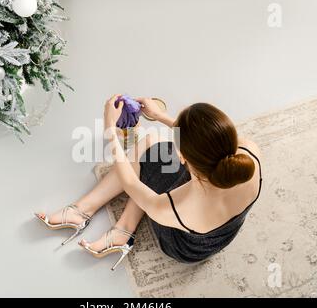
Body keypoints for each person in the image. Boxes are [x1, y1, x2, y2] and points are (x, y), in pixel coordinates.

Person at [35, 95, 263, 270]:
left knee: (147, 152)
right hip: (221, 232)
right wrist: (161, 116)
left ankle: (99, 218)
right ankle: (116, 230)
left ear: (183, 157)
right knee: (154, 146)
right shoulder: (249, 152)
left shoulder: (175, 205)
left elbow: (131, 182)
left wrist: (110, 132)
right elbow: (205, 144)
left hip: (184, 247)